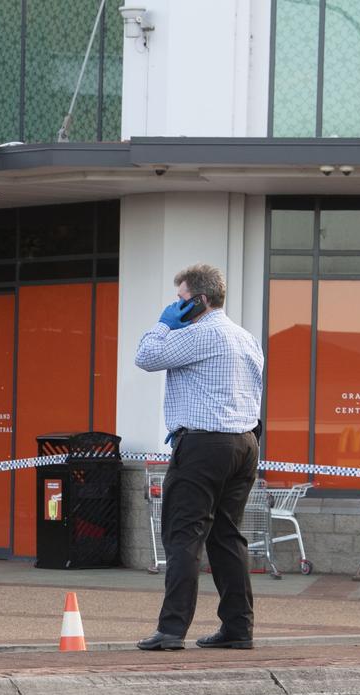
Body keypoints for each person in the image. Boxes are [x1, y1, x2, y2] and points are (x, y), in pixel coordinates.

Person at [133, 264, 264, 652]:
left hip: (204, 445)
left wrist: (163, 324)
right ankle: (238, 627)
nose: (176, 305)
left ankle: (171, 630)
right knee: (227, 538)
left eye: (181, 300)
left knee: (183, 537)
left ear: (201, 301)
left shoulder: (201, 333)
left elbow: (146, 356)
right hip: (244, 443)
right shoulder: (246, 338)